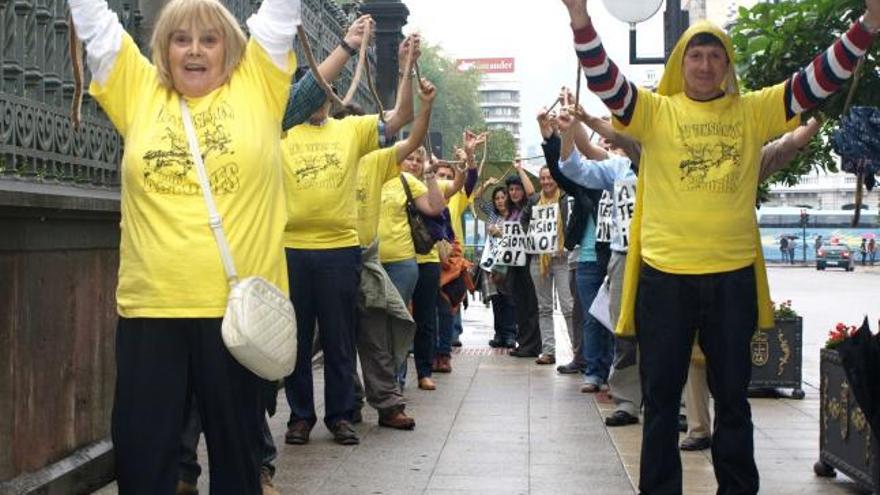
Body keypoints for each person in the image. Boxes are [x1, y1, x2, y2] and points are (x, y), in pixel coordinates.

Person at [562, 0, 878, 492]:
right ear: (680, 64)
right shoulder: (655, 111)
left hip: (731, 280)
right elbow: (605, 79)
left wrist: (870, 24)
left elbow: (817, 80)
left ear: (728, 66)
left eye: (715, 56)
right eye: (695, 56)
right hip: (664, 278)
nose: (705, 65)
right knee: (661, 400)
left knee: (732, 398)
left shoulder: (753, 111)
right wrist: (580, 16)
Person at [68, 0, 302, 492]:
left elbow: (283, 10)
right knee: (143, 461)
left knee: (239, 464)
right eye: (181, 39)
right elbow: (95, 23)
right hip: (150, 313)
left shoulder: (258, 82)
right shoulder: (137, 89)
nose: (194, 50)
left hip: (237, 320)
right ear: (164, 49)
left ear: (230, 49)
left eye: (209, 40)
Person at [281, 13, 416, 446]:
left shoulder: (350, 130)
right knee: (297, 343)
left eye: (323, 90)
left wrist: (406, 69)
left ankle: (340, 415)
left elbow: (399, 120)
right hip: (291, 250)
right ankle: (300, 417)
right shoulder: (279, 132)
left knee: (340, 341)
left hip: (340, 252)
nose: (319, 98)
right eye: (310, 91)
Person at [681, 117, 823, 452]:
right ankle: (699, 428)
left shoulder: (744, 160)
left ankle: (730, 445)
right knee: (691, 358)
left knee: (729, 365)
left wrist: (818, 116)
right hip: (683, 271)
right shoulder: (678, 157)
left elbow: (786, 146)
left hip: (732, 275)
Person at [402, 148, 467, 390]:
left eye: (419, 159)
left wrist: (463, 163)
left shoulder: (432, 183)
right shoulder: (389, 181)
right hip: (398, 259)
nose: (414, 163)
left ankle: (424, 371)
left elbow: (457, 184)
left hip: (427, 260)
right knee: (399, 318)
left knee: (427, 317)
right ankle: (395, 374)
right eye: (410, 158)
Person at [504, 166, 542, 358]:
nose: (514, 193)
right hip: (514, 265)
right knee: (519, 304)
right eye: (511, 189)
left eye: (517, 189)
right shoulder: (509, 213)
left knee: (530, 304)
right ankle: (523, 342)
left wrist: (520, 170)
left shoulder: (530, 207)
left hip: (528, 261)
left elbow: (532, 194)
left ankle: (532, 345)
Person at [474, 182, 518, 348]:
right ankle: (499, 334)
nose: (500, 201)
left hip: (509, 263)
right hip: (491, 263)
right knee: (496, 300)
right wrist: (485, 185)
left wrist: (501, 232)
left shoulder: (515, 214)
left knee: (509, 299)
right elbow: (477, 199)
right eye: (496, 198)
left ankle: (511, 334)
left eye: (502, 197)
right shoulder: (493, 215)